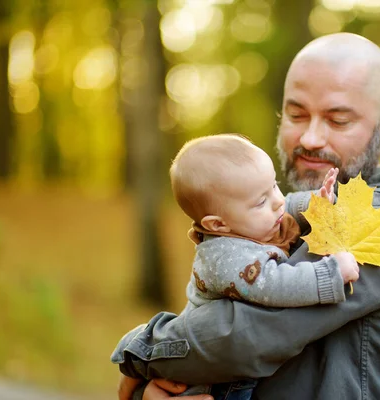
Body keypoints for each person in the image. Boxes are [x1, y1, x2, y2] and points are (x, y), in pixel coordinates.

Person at [113, 32, 380, 400]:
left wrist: (143, 350)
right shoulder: (280, 215)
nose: (310, 138)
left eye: (337, 120)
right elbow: (219, 310)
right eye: (296, 114)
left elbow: (241, 336)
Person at [120, 133, 360, 399]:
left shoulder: (252, 219)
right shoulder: (224, 258)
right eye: (261, 201)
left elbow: (287, 204)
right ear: (218, 225)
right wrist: (330, 274)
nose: (277, 200)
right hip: (216, 382)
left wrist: (318, 203)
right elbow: (275, 285)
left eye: (274, 186)